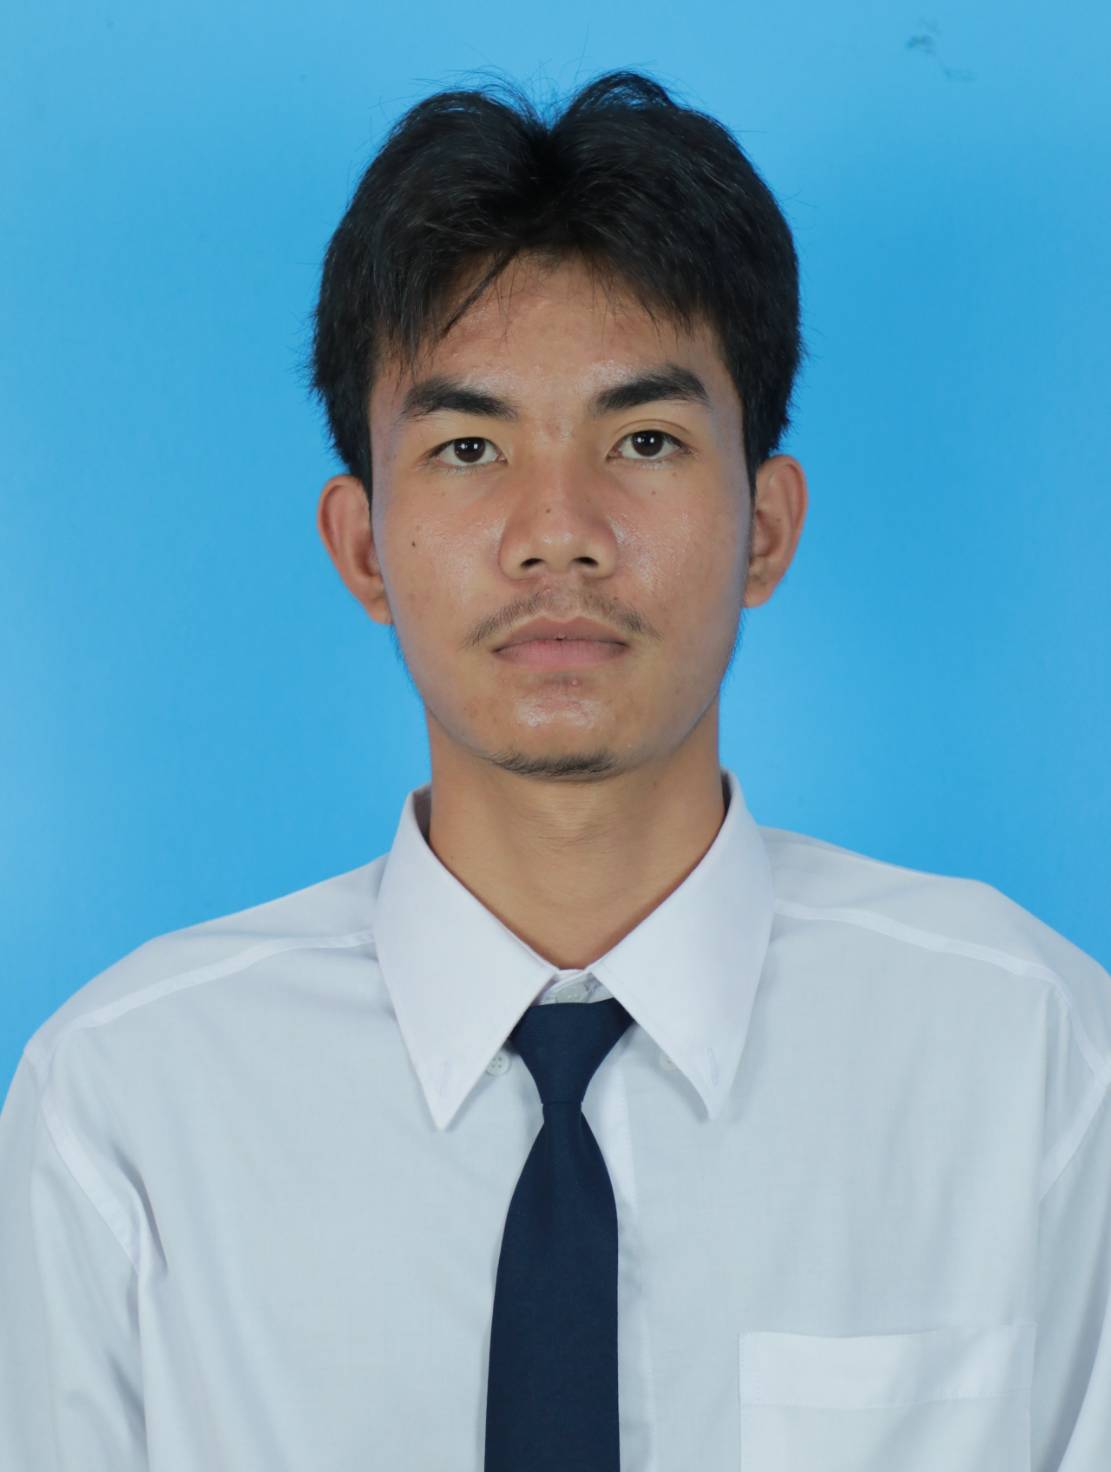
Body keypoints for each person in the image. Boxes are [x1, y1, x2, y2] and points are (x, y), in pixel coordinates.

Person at [1, 68, 1108, 1472]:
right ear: (363, 547)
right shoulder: (126, 1109)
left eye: (644, 440)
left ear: (766, 528)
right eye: (469, 447)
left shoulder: (1037, 1067)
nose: (559, 530)